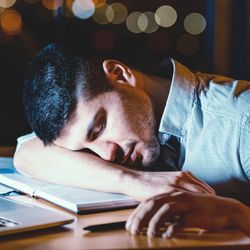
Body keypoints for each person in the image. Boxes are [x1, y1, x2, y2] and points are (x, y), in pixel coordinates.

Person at [14, 44, 250, 237]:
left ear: (120, 74)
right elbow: (26, 153)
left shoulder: (241, 120)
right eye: (85, 148)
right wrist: (133, 181)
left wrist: (236, 215)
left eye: (98, 128)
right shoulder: (119, 140)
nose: (106, 155)